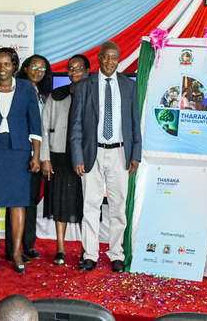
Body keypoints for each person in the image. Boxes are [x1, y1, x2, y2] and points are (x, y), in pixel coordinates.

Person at [70, 41, 142, 273]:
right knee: (90, 205)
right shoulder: (84, 86)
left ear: (119, 60)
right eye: (106, 56)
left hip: (120, 153)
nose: (110, 61)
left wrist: (135, 154)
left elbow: (134, 122)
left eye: (114, 57)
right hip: (92, 153)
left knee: (118, 206)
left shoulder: (129, 86)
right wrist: (77, 156)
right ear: (99, 58)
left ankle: (116, 254)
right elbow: (76, 124)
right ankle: (90, 255)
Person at [0, 48, 41, 273]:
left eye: (7, 64)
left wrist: (36, 155)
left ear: (14, 66)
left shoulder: (26, 88)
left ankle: (16, 252)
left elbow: (35, 124)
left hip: (19, 151)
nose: (2, 68)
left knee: (18, 202)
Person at [41, 54, 90, 265]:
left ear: (88, 71)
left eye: (79, 68)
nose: (74, 72)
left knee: (84, 205)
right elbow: (44, 128)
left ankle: (87, 250)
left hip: (85, 158)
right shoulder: (57, 95)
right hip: (59, 156)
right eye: (71, 68)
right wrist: (45, 157)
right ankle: (60, 248)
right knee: (59, 203)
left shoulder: (93, 94)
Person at [4, 54, 52, 262]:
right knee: (15, 201)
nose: (37, 72)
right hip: (18, 152)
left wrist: (41, 155)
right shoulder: (16, 90)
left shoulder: (43, 95)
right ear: (25, 68)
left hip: (36, 154)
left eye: (42, 69)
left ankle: (28, 245)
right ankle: (11, 249)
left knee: (31, 201)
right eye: (34, 67)